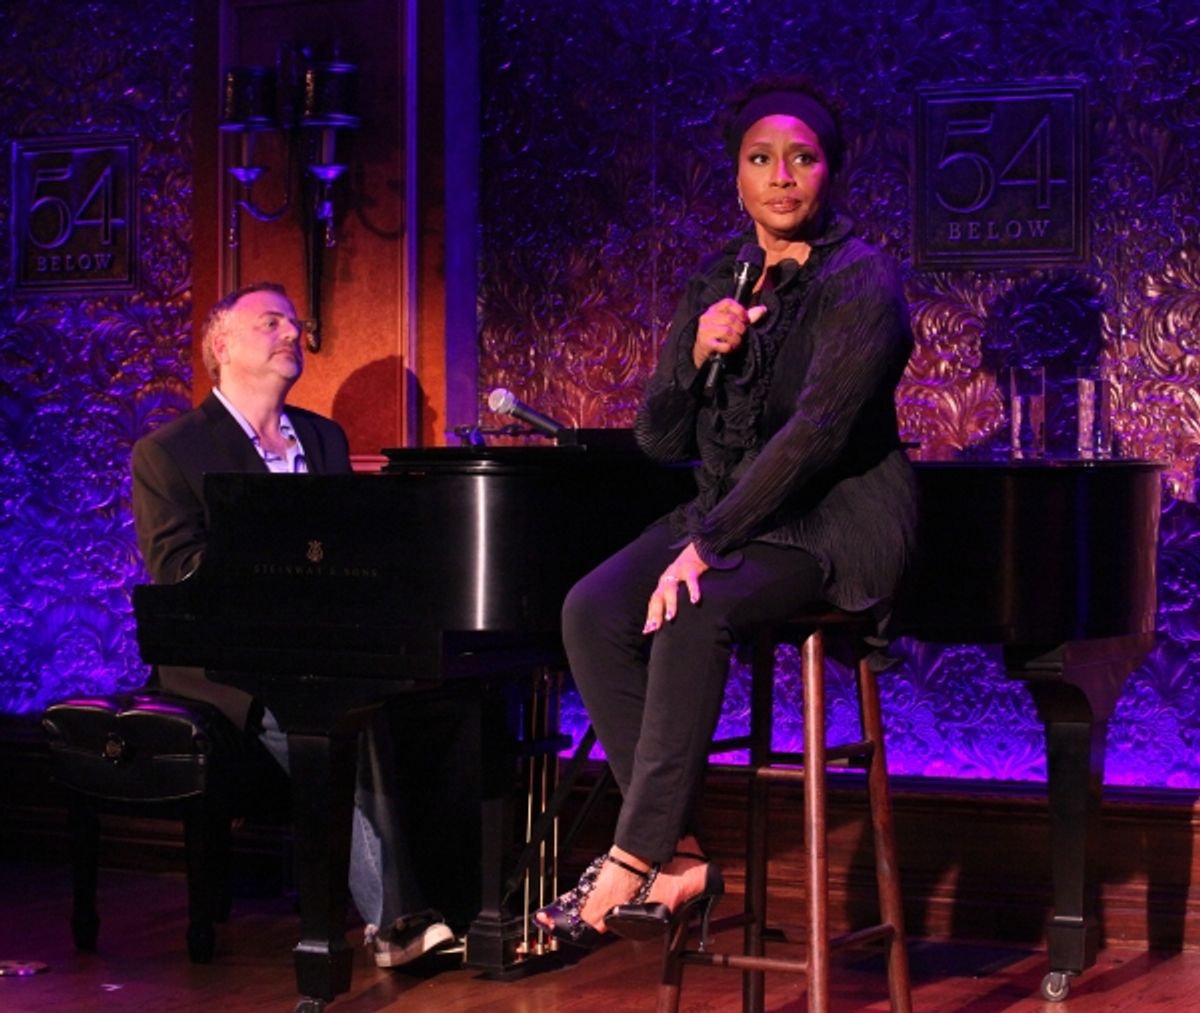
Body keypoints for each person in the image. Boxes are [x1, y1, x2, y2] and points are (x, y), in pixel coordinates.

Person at [535, 76, 918, 948]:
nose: (782, 176)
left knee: (692, 606)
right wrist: (697, 354)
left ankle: (633, 860)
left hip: (833, 522)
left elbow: (817, 437)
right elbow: (659, 432)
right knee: (591, 610)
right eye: (760, 159)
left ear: (830, 172)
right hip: (724, 506)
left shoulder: (864, 281)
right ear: (737, 178)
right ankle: (678, 858)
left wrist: (707, 544)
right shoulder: (718, 277)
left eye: (802, 158)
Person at [131, 282, 456, 967]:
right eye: (270, 322)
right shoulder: (169, 451)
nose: (291, 334)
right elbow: (179, 569)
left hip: (325, 646)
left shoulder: (322, 436)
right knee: (334, 709)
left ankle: (457, 899)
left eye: (294, 322)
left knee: (419, 697)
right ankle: (397, 922)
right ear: (221, 345)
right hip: (225, 661)